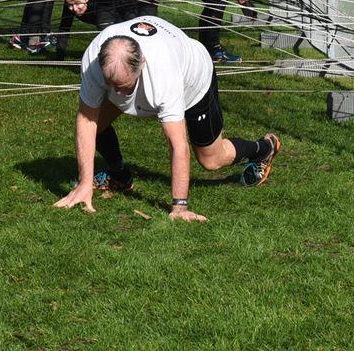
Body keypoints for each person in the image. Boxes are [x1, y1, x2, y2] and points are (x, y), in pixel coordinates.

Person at [53, 16, 281, 222]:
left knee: (211, 160)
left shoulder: (163, 74)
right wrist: (84, 183)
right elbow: (86, 120)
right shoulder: (94, 60)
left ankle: (263, 148)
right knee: (97, 126)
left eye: (123, 86)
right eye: (111, 85)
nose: (117, 93)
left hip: (194, 82)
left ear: (142, 64)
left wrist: (179, 207)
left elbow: (177, 144)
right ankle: (120, 176)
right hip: (150, 66)